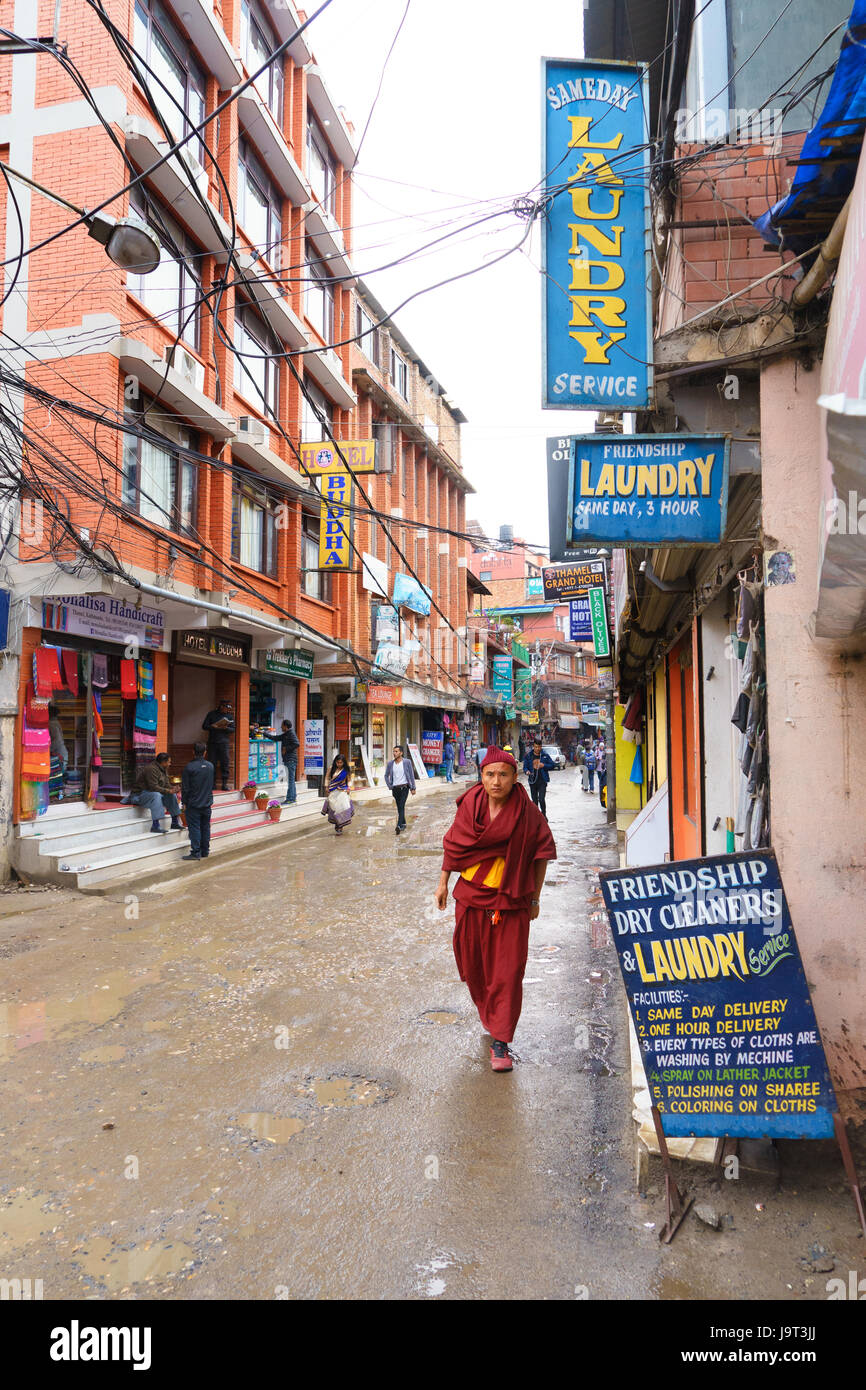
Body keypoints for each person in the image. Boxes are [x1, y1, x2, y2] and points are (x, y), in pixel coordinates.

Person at [435, 747, 557, 1071]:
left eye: (503, 774)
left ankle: (501, 1041)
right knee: (475, 966)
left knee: (506, 971)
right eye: (490, 774)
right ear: (482, 776)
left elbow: (542, 853)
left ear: (515, 778)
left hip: (511, 900)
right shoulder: (471, 807)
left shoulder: (527, 813)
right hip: (472, 899)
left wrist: (535, 898)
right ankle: (491, 1013)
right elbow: (454, 843)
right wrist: (443, 882)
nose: (496, 781)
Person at [130, 752, 183, 833]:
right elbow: (153, 787)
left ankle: (175, 822)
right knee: (156, 795)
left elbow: (166, 784)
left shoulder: (163, 769)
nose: (170, 764)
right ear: (163, 762)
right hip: (139, 795)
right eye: (169, 762)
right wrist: (169, 790)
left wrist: (173, 788)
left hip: (150, 793)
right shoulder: (151, 769)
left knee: (171, 794)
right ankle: (155, 825)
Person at [181, 742, 214, 861]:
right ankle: (205, 851)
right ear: (205, 752)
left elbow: (185, 788)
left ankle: (196, 852)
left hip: (193, 804)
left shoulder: (189, 767)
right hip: (207, 803)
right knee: (205, 827)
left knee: (194, 828)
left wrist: (184, 802)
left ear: (193, 752)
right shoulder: (210, 766)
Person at [202, 700, 235, 791]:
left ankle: (224, 784)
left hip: (224, 743)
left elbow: (233, 729)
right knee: (212, 763)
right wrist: (213, 726)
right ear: (221, 706)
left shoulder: (229, 716)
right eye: (226, 707)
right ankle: (213, 784)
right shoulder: (211, 714)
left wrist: (226, 728)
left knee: (225, 763)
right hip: (212, 742)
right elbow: (204, 726)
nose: (227, 709)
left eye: (229, 708)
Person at [384, 744, 416, 834]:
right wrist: (389, 786)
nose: (394, 753)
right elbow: (386, 775)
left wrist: (413, 787)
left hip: (405, 787)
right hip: (395, 789)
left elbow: (411, 775)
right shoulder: (390, 764)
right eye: (394, 751)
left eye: (396, 751)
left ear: (401, 753)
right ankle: (404, 823)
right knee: (399, 807)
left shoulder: (407, 762)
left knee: (401, 806)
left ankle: (398, 825)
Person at [269, 718, 300, 804]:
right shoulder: (286, 734)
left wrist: (286, 748)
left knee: (290, 780)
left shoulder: (291, 733)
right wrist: (263, 733)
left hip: (291, 760)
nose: (280, 727)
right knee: (291, 780)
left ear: (285, 726)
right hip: (288, 760)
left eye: (282, 725)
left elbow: (297, 743)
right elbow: (275, 738)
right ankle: (292, 797)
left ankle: (290, 799)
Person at [322, 753, 354, 834]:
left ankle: (340, 826)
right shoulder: (331, 768)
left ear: (343, 762)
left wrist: (349, 788)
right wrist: (326, 786)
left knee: (342, 808)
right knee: (334, 808)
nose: (339, 764)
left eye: (341, 763)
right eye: (337, 762)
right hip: (333, 791)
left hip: (342, 791)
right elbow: (327, 777)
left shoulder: (346, 770)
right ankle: (337, 823)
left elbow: (349, 780)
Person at [523, 738, 554, 819]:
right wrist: (527, 771)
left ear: (541, 746)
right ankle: (536, 817)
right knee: (534, 801)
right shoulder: (528, 755)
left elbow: (552, 765)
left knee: (541, 799)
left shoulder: (545, 755)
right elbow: (525, 767)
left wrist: (544, 765)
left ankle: (543, 814)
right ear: (533, 746)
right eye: (536, 747)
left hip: (542, 781)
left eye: (539, 747)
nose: (537, 749)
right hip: (532, 781)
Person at [596, 738, 608, 806]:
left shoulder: (605, 751)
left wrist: (603, 768)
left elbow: (603, 762)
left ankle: (604, 803)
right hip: (604, 770)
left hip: (606, 771)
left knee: (603, 785)